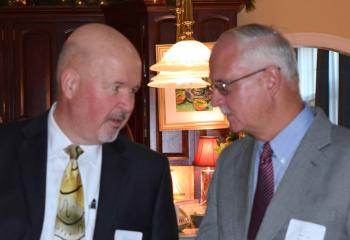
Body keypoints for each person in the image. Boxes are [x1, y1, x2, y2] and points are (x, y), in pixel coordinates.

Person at [0, 23, 178, 240]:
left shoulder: (147, 172)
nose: (128, 105)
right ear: (71, 84)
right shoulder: (6, 150)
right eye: (116, 88)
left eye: (132, 91)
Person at [197, 23, 350, 240]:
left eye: (223, 86)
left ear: (270, 80)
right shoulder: (230, 162)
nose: (215, 100)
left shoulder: (345, 160)